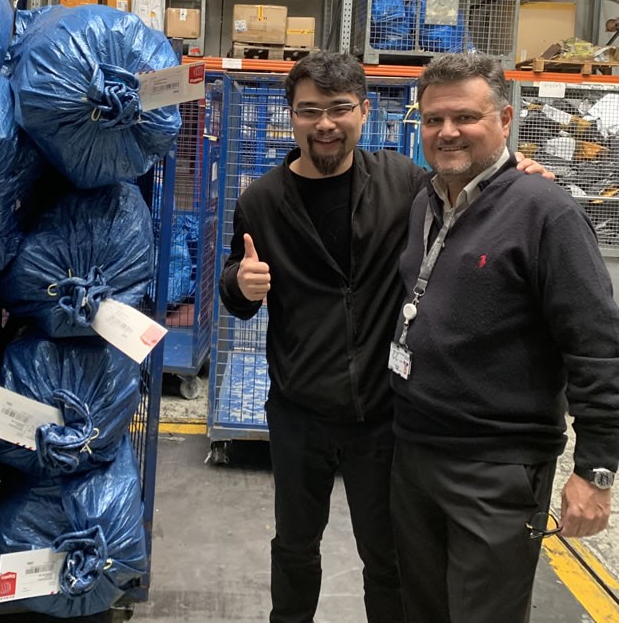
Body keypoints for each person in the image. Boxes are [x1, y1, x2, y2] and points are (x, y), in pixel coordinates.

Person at [218, 50, 549, 623]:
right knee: (294, 546)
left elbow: (468, 186)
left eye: (339, 108)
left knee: (387, 556)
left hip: (382, 414)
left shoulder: (404, 183)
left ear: (364, 111)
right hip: (299, 409)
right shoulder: (262, 201)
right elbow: (235, 285)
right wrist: (240, 286)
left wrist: (519, 174)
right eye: (309, 110)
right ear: (291, 114)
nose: (325, 123)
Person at [389, 52, 619, 623]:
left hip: (495, 469)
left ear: (505, 119)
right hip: (416, 453)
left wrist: (595, 471)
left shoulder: (546, 213)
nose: (447, 132)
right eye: (434, 119)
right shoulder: (427, 201)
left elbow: (595, 345)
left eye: (465, 117)